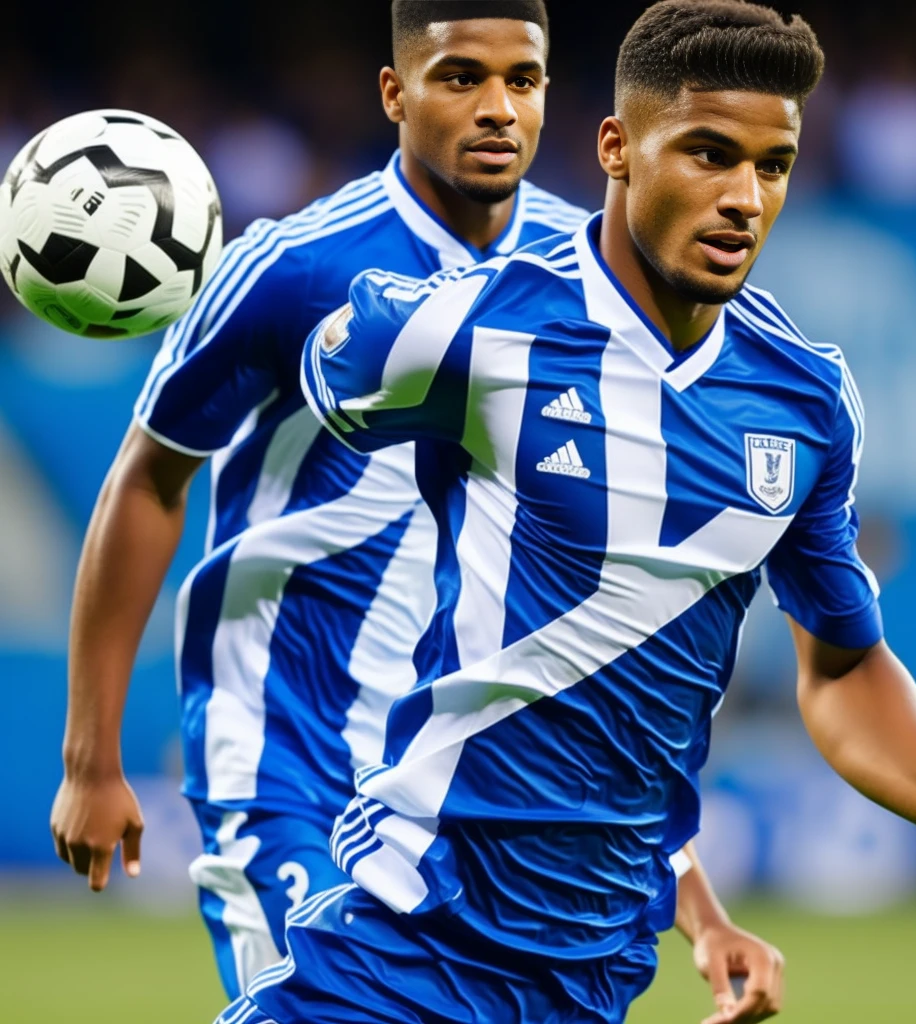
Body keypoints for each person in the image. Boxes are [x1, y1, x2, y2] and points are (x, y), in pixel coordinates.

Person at [214, 2, 916, 1023]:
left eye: (771, 166)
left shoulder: (805, 402)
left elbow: (841, 668)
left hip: (595, 975)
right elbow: (310, 392)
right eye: (707, 152)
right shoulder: (475, 326)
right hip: (405, 943)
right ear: (616, 148)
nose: (741, 198)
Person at [50, 0, 781, 1015]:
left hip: (454, 779)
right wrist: (92, 755)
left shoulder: (591, 284)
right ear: (395, 93)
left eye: (520, 81)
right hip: (285, 750)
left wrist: (697, 907)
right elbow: (149, 476)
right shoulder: (296, 267)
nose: (496, 109)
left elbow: (590, 631)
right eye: (459, 78)